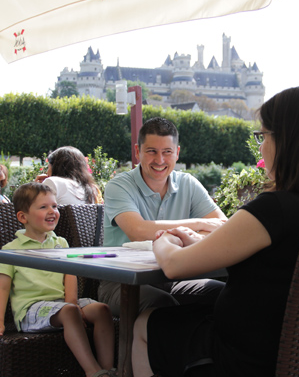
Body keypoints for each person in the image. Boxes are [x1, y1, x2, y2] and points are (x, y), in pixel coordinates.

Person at [132, 85, 299, 377]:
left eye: (263, 136)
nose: (261, 147)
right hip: (284, 350)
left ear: (287, 140)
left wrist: (166, 239)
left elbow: (173, 265)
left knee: (144, 323)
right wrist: (197, 240)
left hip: (237, 355)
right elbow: (258, 255)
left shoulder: (273, 209)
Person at [99, 117, 227, 316]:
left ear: (176, 153)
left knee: (223, 294)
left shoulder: (188, 183)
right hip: (122, 283)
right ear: (137, 151)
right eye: (152, 151)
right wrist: (199, 224)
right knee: (162, 304)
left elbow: (221, 226)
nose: (159, 160)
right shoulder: (119, 185)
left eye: (167, 152)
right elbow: (138, 231)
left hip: (173, 278)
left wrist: (188, 232)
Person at [0, 183, 116, 377]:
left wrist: (72, 302)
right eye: (43, 207)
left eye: (54, 206)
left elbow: (70, 274)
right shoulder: (11, 250)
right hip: (31, 310)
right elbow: (3, 288)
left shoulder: (60, 243)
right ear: (23, 217)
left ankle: (108, 369)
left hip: (62, 305)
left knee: (102, 310)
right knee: (69, 311)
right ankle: (94, 372)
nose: (52, 211)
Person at [35, 146, 103, 204]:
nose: (47, 172)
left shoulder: (53, 182)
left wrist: (36, 189)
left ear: (55, 167)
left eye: (48, 167)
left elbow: (35, 211)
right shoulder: (92, 189)